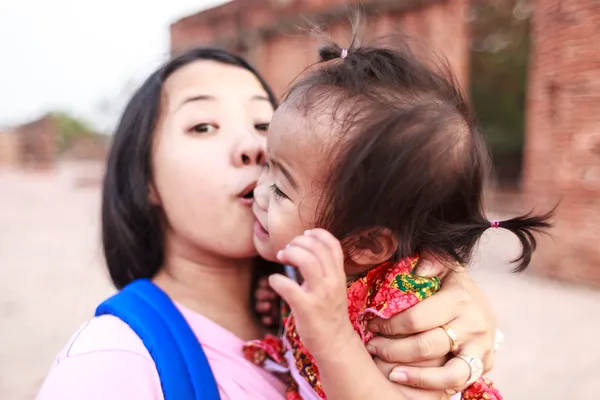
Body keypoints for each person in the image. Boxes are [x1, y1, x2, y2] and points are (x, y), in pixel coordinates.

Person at [37, 47, 500, 400]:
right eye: (203, 126)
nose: (254, 148)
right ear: (145, 180)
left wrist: (450, 311)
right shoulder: (112, 364)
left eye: (263, 124)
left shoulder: (355, 308)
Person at [246, 35, 553, 399]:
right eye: (267, 165)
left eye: (280, 189)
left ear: (366, 244)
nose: (258, 191)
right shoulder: (324, 259)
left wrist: (332, 337)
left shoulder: (399, 309)